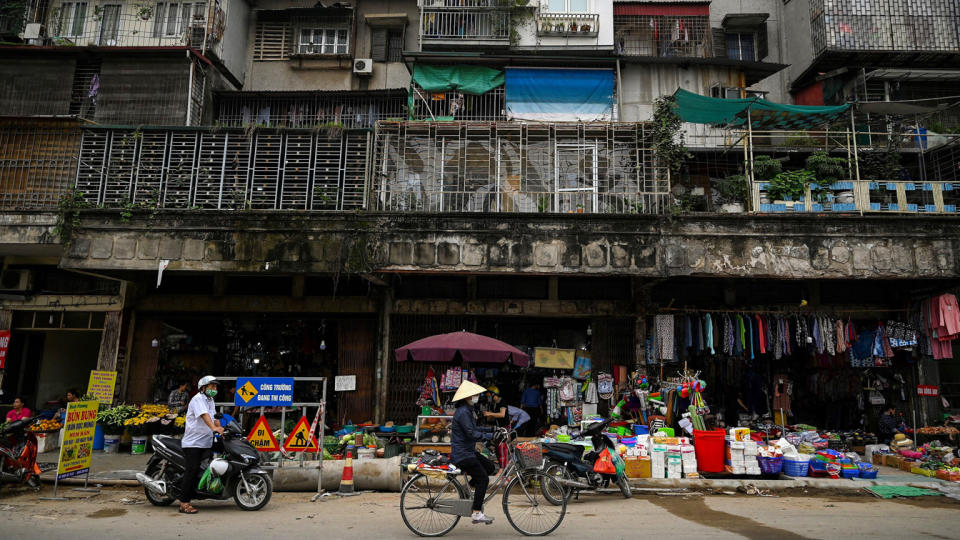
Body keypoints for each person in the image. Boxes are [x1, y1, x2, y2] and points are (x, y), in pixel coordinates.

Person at [450, 380, 496, 525]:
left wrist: (493, 430)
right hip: (462, 455)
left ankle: (468, 488)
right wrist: (489, 437)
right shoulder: (463, 412)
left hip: (468, 451)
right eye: (474, 394)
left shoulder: (468, 410)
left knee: (489, 467)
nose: (477, 396)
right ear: (467, 397)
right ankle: (476, 512)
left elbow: (476, 429)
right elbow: (471, 433)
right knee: (483, 479)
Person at [178, 375, 224, 514]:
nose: (214, 389)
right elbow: (205, 416)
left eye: (215, 386)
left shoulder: (210, 400)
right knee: (192, 469)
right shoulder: (198, 399)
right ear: (203, 388)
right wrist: (214, 428)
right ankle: (184, 503)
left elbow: (214, 418)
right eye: (212, 386)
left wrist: (222, 429)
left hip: (205, 441)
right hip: (194, 442)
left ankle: (198, 493)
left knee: (204, 468)